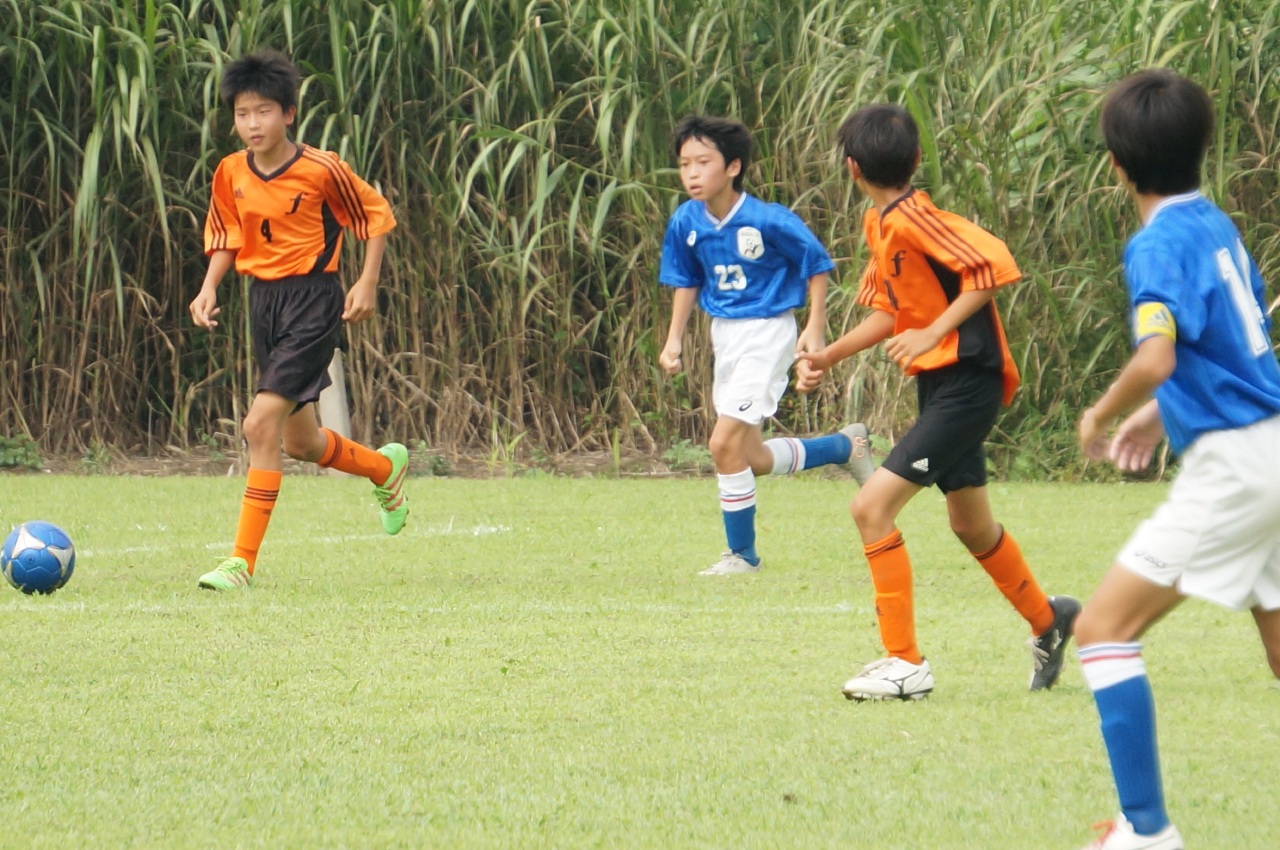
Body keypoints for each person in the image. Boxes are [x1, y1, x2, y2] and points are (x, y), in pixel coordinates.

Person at [795, 104, 1078, 700]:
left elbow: (994, 266)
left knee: (871, 507)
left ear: (851, 168)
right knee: (971, 525)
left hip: (969, 383)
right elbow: (888, 311)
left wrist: (932, 332)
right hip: (943, 387)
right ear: (917, 158)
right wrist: (828, 356)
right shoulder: (881, 225)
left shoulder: (917, 218)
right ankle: (1049, 621)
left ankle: (905, 663)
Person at [1073, 69, 1280, 850]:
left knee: (1102, 629)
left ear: (1116, 165)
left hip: (1236, 470)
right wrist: (1161, 415)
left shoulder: (1155, 243)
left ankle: (1147, 833)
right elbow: (1230, 351)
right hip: (1272, 444)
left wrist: (1103, 412)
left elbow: (1158, 353)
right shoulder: (1215, 224)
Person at [189, 50, 408, 591]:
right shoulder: (230, 171)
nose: (252, 124)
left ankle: (240, 564)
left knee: (258, 426)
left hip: (313, 302)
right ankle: (384, 469)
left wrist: (367, 282)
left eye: (263, 111)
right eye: (242, 114)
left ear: (288, 113)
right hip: (262, 304)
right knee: (302, 444)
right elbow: (228, 234)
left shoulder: (322, 168)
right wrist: (209, 286)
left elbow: (376, 214)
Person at [658, 115, 875, 576]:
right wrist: (674, 338)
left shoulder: (767, 219)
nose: (692, 173)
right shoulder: (686, 221)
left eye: (703, 162)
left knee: (722, 444)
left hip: (768, 331)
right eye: (684, 164)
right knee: (750, 457)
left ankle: (742, 555)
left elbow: (817, 264)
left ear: (733, 166)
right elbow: (686, 280)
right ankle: (844, 447)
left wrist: (814, 327)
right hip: (725, 335)